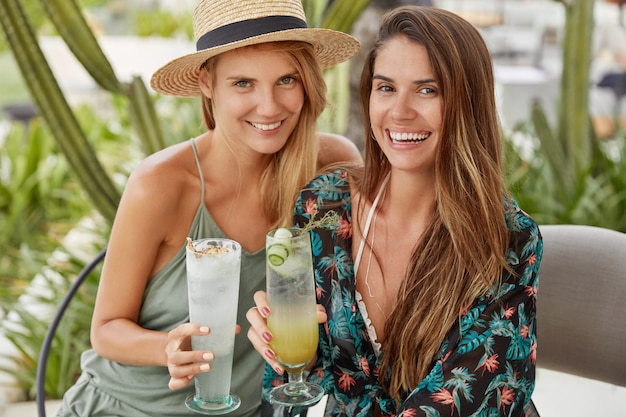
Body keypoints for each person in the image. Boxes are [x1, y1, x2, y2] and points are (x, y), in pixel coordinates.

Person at [55, 0, 361, 416]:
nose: (269, 106)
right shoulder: (162, 185)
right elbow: (106, 331)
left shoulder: (331, 169)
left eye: (286, 80)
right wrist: (167, 346)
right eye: (242, 84)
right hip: (129, 408)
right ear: (206, 82)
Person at [247, 6, 542, 417]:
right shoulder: (323, 205)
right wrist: (291, 356)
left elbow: (467, 397)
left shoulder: (508, 238)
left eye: (427, 90)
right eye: (385, 88)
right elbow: (302, 383)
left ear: (468, 103)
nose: (400, 112)